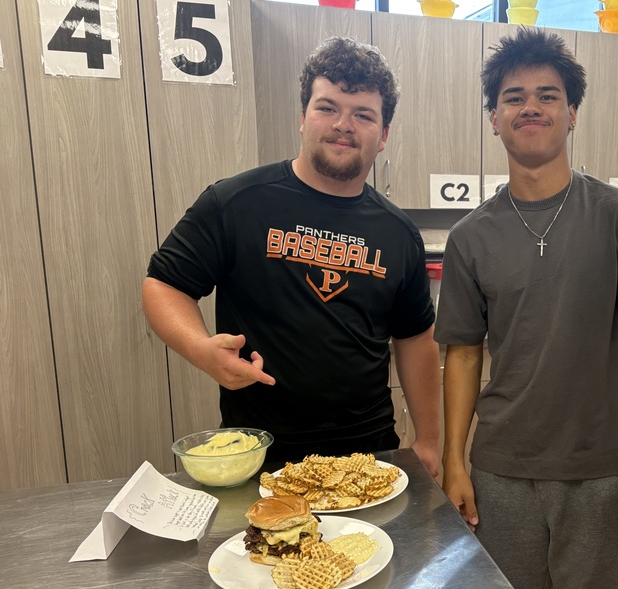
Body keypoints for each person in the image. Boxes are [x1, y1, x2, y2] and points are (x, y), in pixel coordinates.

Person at [435, 28, 618, 589]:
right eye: (513, 98)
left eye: (547, 96)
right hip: (501, 474)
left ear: (571, 114)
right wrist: (454, 462)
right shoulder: (472, 236)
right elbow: (463, 354)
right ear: (493, 117)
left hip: (601, 475)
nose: (530, 108)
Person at [143, 37, 440, 471]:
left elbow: (415, 339)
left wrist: (429, 440)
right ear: (303, 118)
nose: (344, 124)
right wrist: (201, 349)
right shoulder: (236, 203)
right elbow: (163, 284)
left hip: (370, 456)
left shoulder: (399, 233)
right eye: (327, 107)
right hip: (259, 457)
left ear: (384, 135)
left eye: (363, 114)